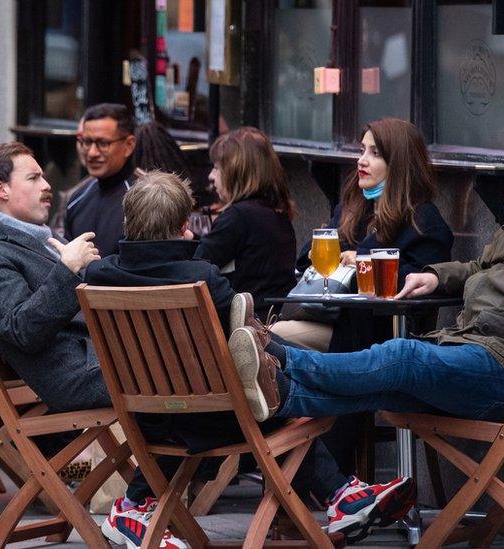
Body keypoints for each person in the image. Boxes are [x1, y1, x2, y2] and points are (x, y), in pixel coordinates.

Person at [0, 147, 410, 548]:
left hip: (125, 366)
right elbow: (21, 331)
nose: (46, 185)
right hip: (85, 376)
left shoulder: (36, 245)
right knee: (241, 392)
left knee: (233, 387)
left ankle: (141, 506)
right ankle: (349, 465)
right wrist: (68, 271)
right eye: (33, 177)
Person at [224, 140, 504, 441]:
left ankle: (280, 360)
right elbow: (479, 267)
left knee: (403, 356)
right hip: (469, 350)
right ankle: (283, 395)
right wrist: (437, 276)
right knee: (386, 386)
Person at [85, 170, 414, 546]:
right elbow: (247, 338)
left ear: (129, 222)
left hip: (146, 416)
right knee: (283, 405)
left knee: (274, 398)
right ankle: (342, 492)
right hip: (214, 418)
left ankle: (136, 503)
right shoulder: (202, 277)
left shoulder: (99, 276)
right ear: (183, 226)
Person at [274, 118, 454, 351]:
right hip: (327, 315)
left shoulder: (424, 222)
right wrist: (335, 253)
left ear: (399, 163)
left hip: (376, 336)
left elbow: (417, 289)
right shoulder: (354, 207)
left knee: (269, 337)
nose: (361, 160)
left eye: (375, 153)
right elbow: (306, 256)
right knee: (262, 336)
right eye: (362, 151)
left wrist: (360, 261)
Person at [194, 127, 296, 320]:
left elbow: (196, 266)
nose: (211, 176)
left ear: (236, 172)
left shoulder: (239, 217)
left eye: (217, 168)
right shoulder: (276, 212)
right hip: (273, 317)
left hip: (248, 326)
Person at [64, 103, 139, 256]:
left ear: (129, 145)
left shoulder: (146, 201)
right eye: (87, 142)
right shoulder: (76, 199)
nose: (92, 153)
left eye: (103, 143)